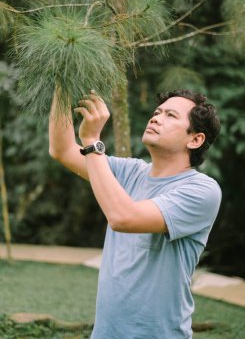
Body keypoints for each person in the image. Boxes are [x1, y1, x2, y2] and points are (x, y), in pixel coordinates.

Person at [49, 88, 222, 339]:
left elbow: (123, 218)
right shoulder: (129, 171)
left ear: (195, 139)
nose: (156, 118)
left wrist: (92, 142)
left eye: (171, 115)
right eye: (157, 112)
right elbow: (62, 149)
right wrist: (62, 80)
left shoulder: (202, 190)